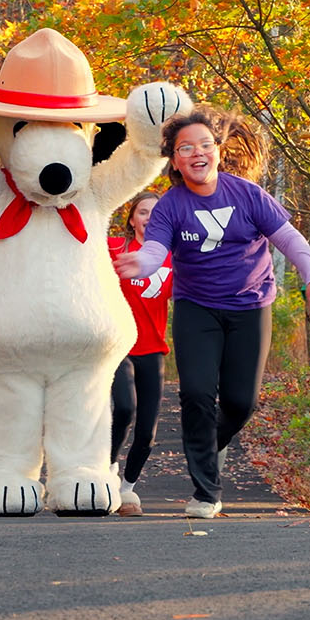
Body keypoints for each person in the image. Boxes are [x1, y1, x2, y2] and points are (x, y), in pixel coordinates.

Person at [115, 111, 310, 519]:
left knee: (240, 402)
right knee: (197, 393)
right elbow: (155, 251)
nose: (197, 153)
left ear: (218, 151)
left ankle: (206, 444)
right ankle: (205, 491)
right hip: (196, 308)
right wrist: (140, 264)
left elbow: (290, 240)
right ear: (174, 159)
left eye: (204, 144)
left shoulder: (248, 194)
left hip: (250, 306)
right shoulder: (169, 207)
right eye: (186, 148)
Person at [106, 191, 171, 518]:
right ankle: (108, 468)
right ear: (132, 218)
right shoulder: (114, 248)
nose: (149, 217)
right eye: (143, 212)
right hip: (120, 346)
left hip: (153, 349)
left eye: (156, 213)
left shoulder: (174, 257)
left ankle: (127, 488)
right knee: (124, 408)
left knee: (147, 431)